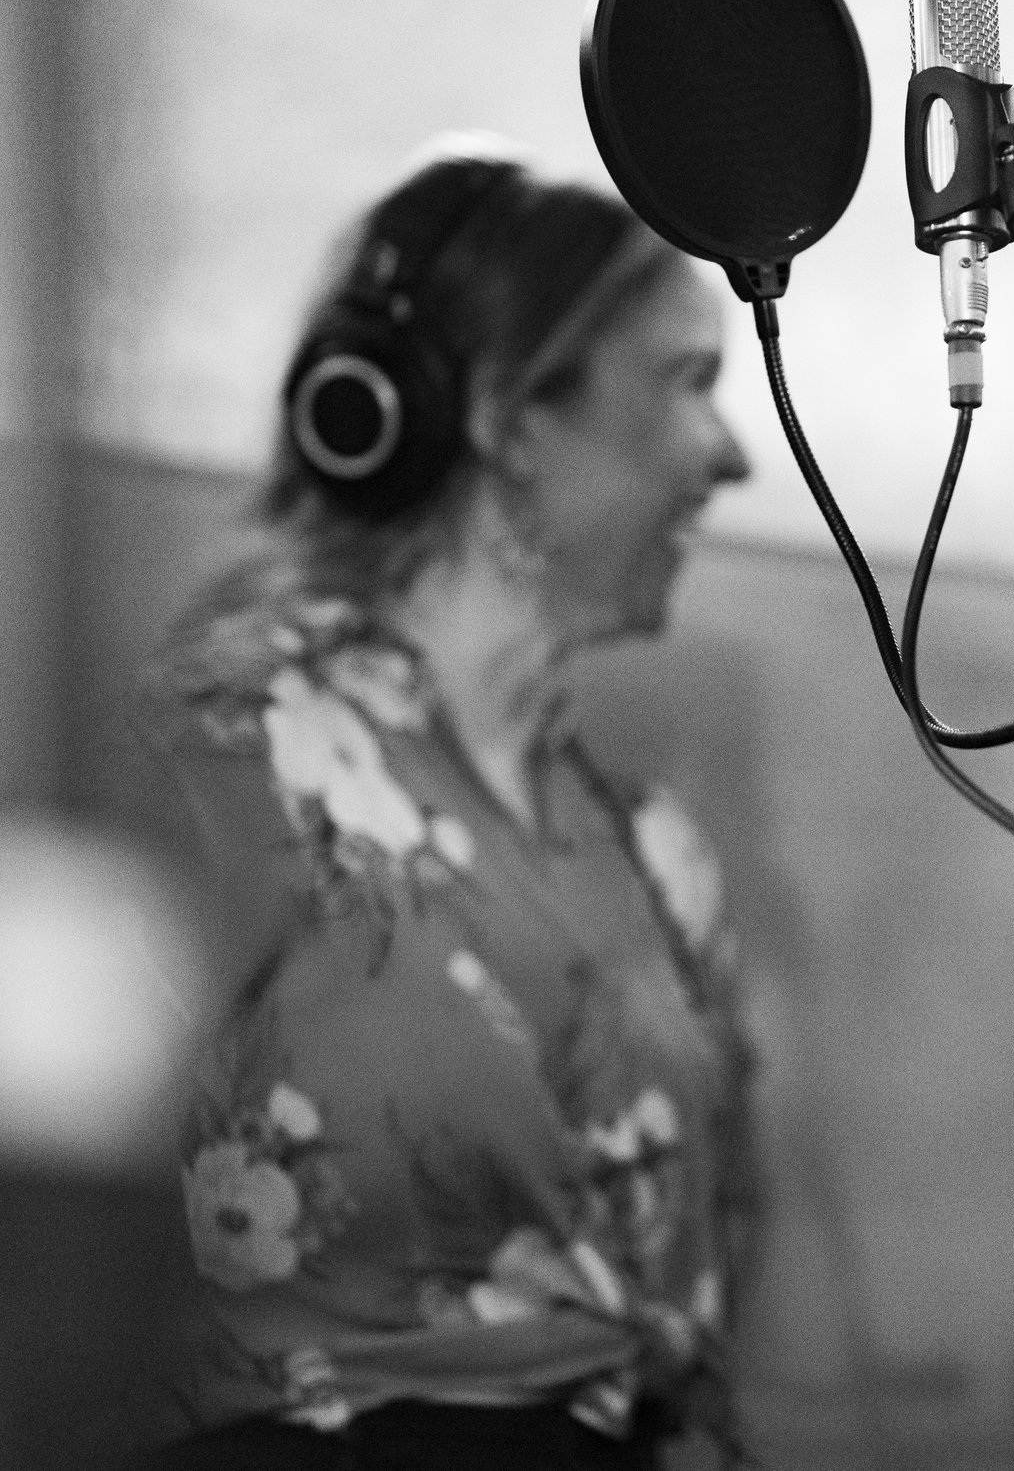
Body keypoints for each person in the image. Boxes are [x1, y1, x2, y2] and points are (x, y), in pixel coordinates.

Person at [137, 137, 756, 1468]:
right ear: (505, 414)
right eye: (689, 384)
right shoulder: (236, 757)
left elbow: (693, 1356)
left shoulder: (656, 860)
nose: (732, 454)